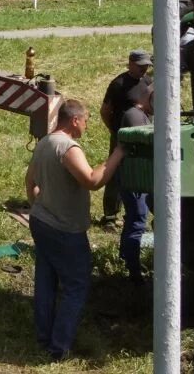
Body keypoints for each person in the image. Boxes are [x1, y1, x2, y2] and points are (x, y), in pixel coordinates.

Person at [26, 98, 125, 361]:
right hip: (65, 229)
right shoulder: (68, 147)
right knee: (76, 286)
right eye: (86, 121)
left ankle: (43, 337)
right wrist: (117, 153)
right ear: (75, 120)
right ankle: (59, 348)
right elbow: (92, 181)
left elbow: (30, 181)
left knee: (46, 282)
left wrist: (39, 206)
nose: (87, 126)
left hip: (41, 221)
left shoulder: (45, 142)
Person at [99, 49, 153, 223]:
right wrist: (114, 130)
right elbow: (105, 111)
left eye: (146, 66)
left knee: (141, 170)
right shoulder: (118, 84)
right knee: (115, 172)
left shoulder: (147, 82)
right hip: (122, 135)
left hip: (143, 135)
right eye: (140, 66)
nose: (143, 70)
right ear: (130, 63)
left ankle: (137, 211)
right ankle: (110, 214)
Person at [118, 84, 154, 284]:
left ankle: (126, 256)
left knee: (135, 218)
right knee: (138, 220)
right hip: (133, 178)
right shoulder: (134, 116)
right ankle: (133, 271)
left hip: (142, 176)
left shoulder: (145, 115)